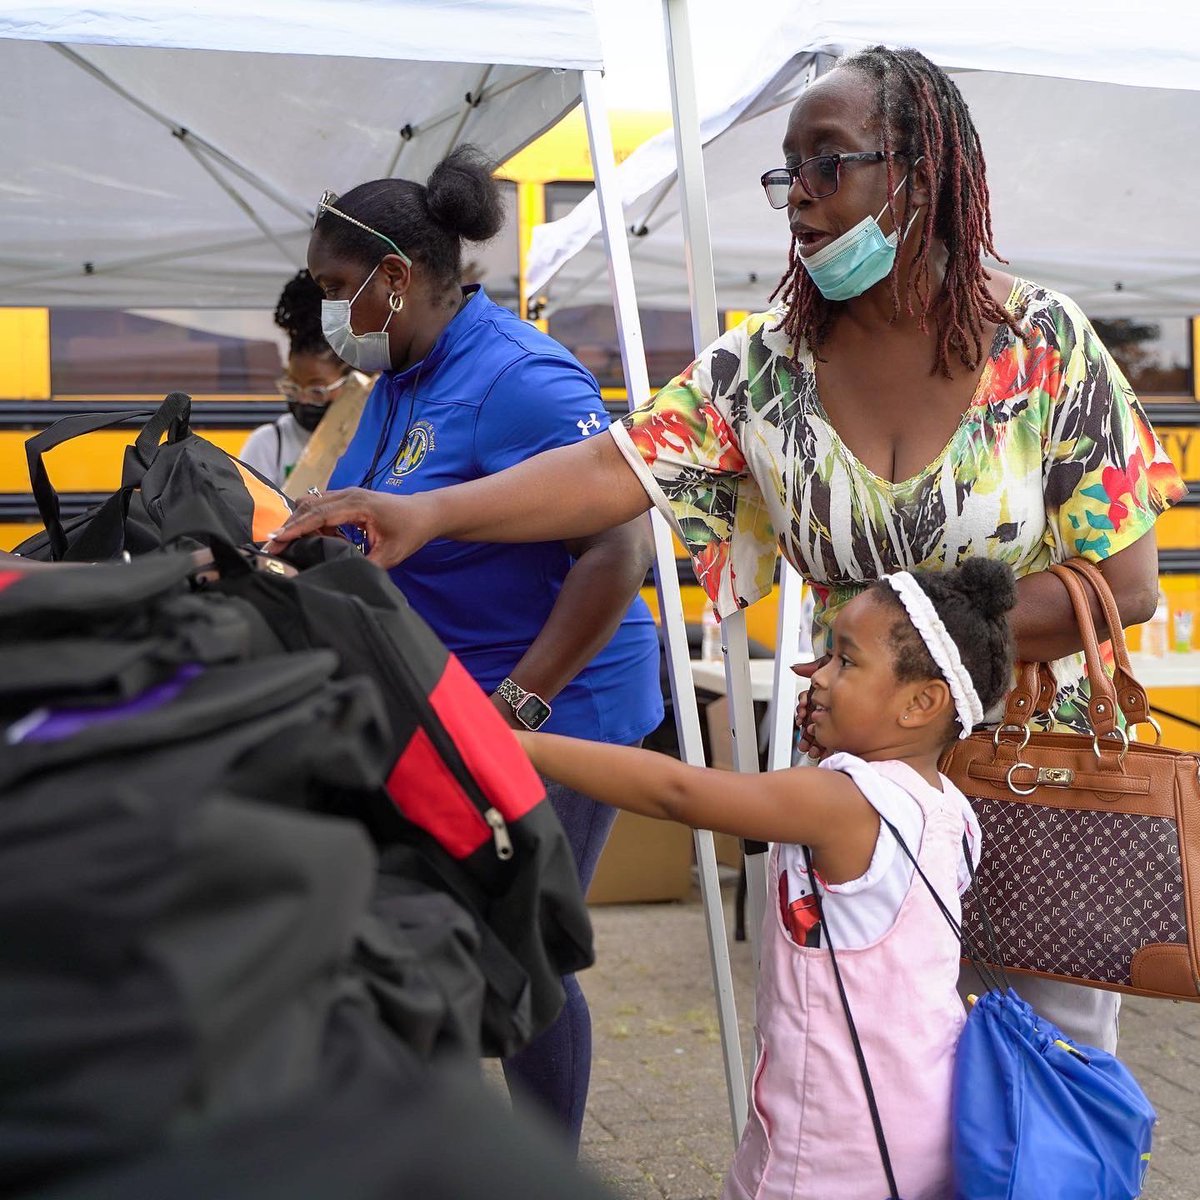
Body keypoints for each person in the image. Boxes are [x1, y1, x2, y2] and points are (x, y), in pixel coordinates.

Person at [265, 47, 1186, 1053]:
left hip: (1029, 779)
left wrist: (906, 652)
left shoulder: (1044, 343)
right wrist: (432, 514)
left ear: (920, 173)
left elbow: (1125, 586)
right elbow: (618, 471)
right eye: (786, 171)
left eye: (828, 163)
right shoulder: (767, 366)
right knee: (852, 1076)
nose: (797, 198)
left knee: (1037, 1084)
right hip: (850, 792)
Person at [300, 147, 664, 1150]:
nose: (334, 313)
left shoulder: (521, 378)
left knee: (523, 949)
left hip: (557, 700)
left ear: (398, 278)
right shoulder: (402, 379)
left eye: (339, 290)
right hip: (454, 702)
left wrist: (517, 708)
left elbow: (619, 544)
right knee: (445, 934)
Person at [517, 559, 1014, 1200]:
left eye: (845, 662)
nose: (819, 677)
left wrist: (520, 745)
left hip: (832, 1137)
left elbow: (677, 792)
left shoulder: (841, 802)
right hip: (921, 1117)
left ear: (921, 703)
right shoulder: (946, 805)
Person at [239, 270, 371, 492]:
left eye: (316, 390)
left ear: (350, 382)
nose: (302, 399)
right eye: (292, 388)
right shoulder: (269, 444)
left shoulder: (367, 440)